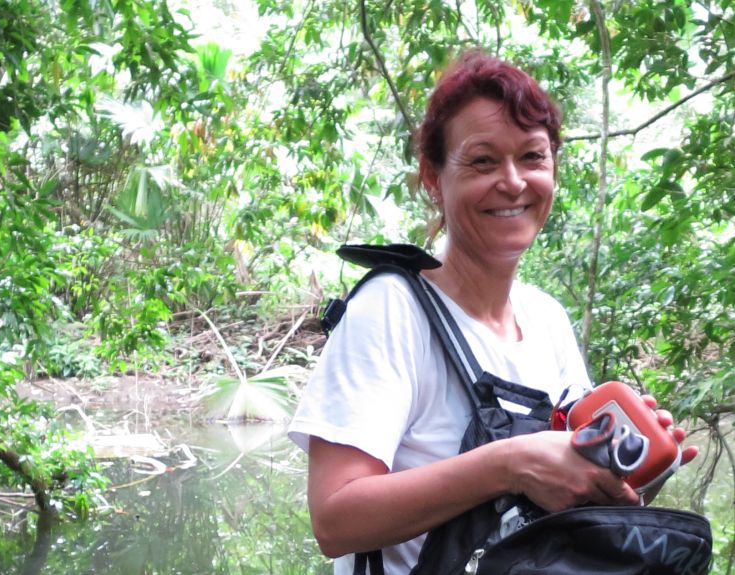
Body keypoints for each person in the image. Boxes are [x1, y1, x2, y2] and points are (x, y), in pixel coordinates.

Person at [288, 49, 697, 575]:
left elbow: (563, 512)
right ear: (434, 178)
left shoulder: (546, 318)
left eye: (532, 157)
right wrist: (511, 464)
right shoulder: (391, 310)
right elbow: (335, 520)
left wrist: (622, 480)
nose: (512, 182)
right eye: (483, 161)